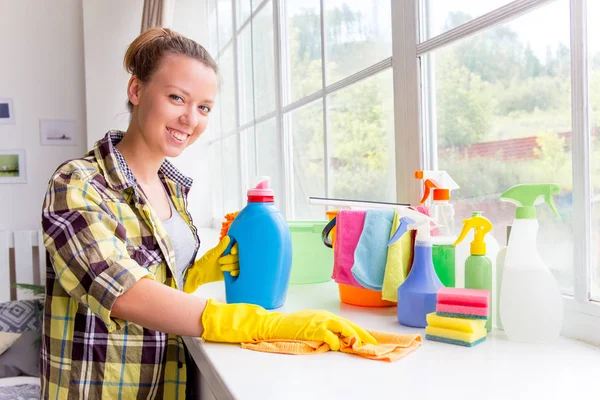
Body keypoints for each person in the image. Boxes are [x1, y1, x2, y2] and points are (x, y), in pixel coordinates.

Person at [40, 28, 375, 399]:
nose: (190, 119)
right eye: (176, 98)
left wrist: (200, 271)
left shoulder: (172, 188)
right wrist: (260, 323)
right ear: (136, 90)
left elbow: (157, 277)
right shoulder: (78, 183)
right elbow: (121, 291)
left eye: (203, 108)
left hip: (165, 383)